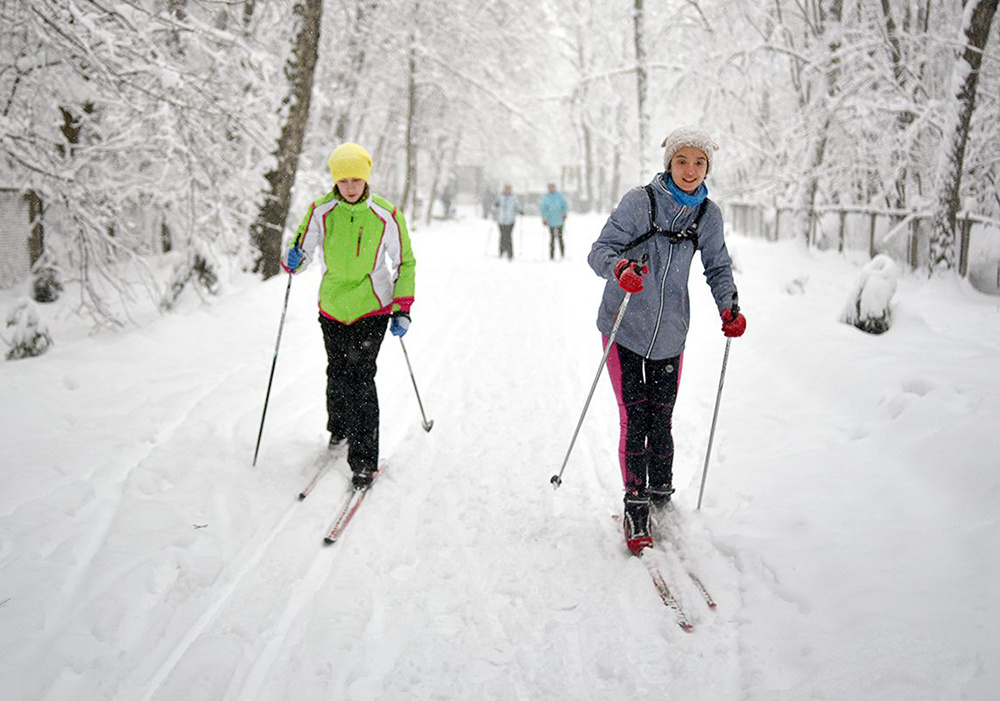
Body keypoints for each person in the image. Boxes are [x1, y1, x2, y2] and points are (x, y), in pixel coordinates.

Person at [587, 126, 746, 555]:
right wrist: (620, 269)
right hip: (623, 326)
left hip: (672, 332)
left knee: (662, 418)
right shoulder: (641, 202)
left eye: (699, 162)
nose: (690, 170)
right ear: (668, 164)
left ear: (708, 167)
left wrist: (728, 306)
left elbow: (717, 266)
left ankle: (661, 492)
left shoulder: (707, 216)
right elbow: (599, 250)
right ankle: (635, 502)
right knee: (634, 417)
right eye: (682, 161)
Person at [282, 142, 416, 490]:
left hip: (372, 308)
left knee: (361, 377)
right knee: (337, 371)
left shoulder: (386, 214)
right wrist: (293, 260)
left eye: (357, 179)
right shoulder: (319, 211)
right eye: (344, 180)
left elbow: (404, 262)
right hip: (332, 307)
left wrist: (402, 308)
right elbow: (302, 253)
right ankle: (338, 429)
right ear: (336, 181)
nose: (351, 186)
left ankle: (364, 459)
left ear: (366, 178)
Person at [490, 183, 522, 259]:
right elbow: (493, 207)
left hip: (510, 220)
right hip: (501, 220)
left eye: (509, 189)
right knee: (502, 236)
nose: (508, 190)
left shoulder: (514, 198)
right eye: (506, 189)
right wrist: (495, 206)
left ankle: (510, 253)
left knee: (508, 236)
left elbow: (518, 205)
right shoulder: (500, 197)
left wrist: (520, 210)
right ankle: (501, 251)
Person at [540, 183, 569, 260]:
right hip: (551, 221)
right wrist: (544, 218)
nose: (551, 189)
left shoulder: (559, 196)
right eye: (550, 187)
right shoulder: (546, 198)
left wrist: (564, 214)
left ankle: (562, 254)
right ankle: (552, 256)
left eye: (552, 187)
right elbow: (543, 209)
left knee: (560, 238)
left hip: (559, 220)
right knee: (552, 238)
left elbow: (564, 205)